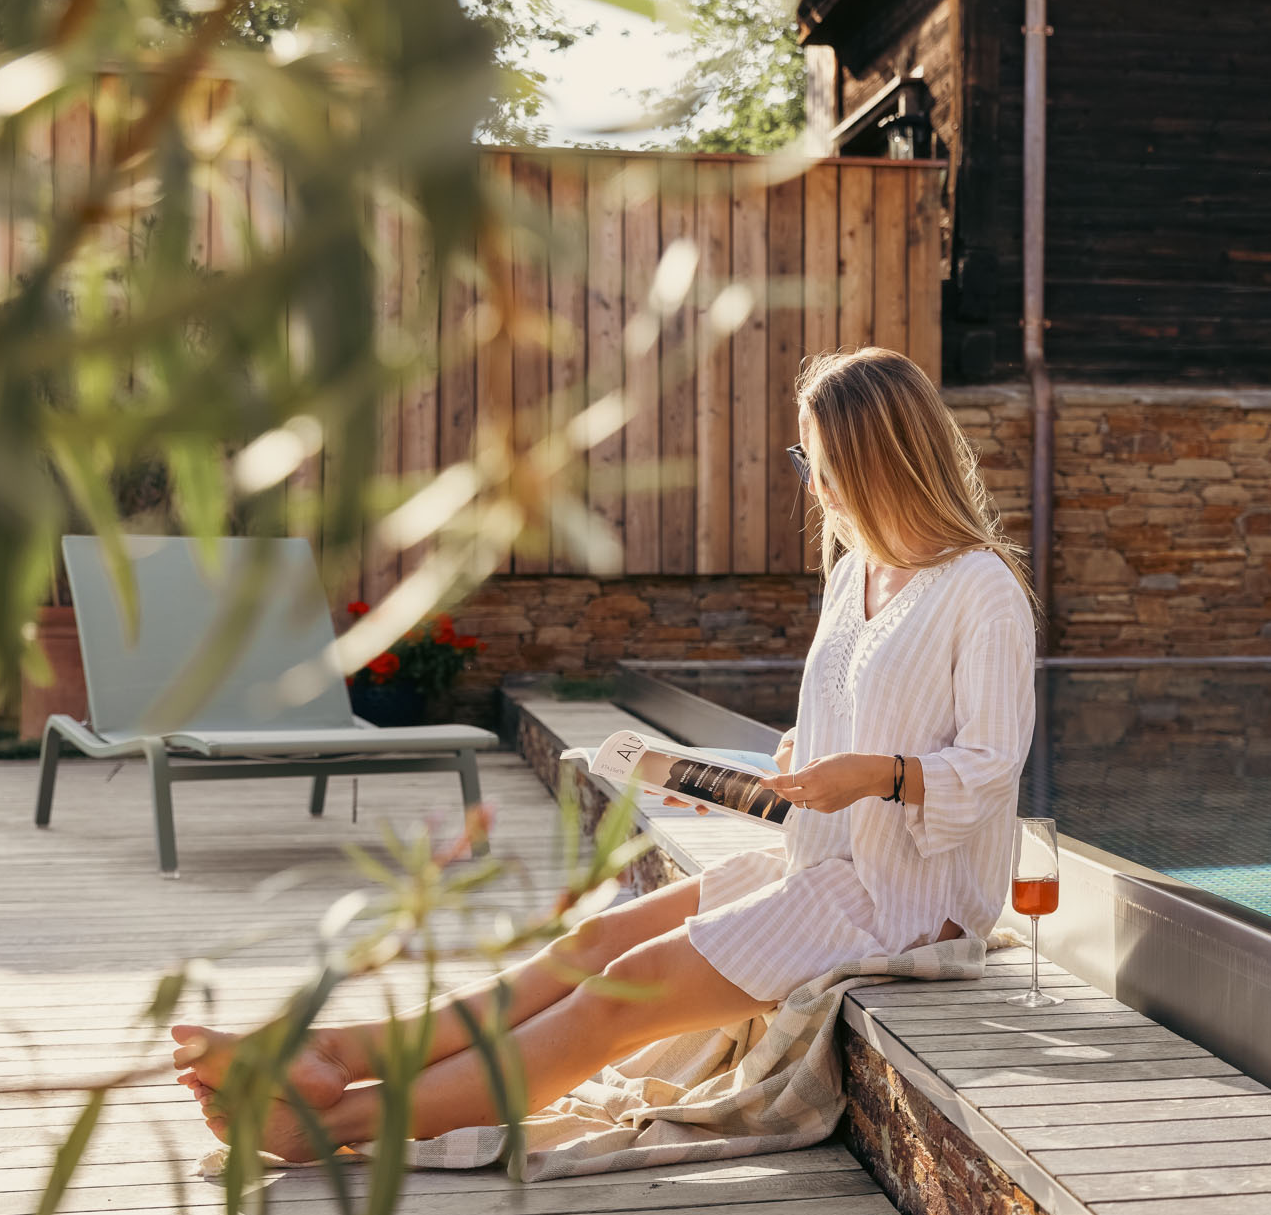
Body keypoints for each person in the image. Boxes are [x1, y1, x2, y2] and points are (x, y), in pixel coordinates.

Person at [171, 347, 1039, 1161]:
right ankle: (323, 1052)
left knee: (616, 993)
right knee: (586, 945)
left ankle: (339, 1123)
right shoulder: (857, 572)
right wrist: (796, 762)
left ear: (875, 459)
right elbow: (865, 710)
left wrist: (875, 774)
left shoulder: (981, 589)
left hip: (903, 902)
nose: (812, 487)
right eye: (804, 461)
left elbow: (994, 761)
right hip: (822, 862)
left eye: (818, 464)